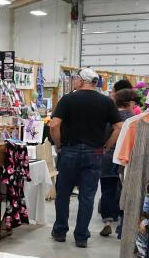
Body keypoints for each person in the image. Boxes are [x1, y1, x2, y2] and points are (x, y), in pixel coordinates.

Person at [49, 68, 123, 248]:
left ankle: (60, 231)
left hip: (70, 150)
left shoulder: (67, 99)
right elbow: (119, 127)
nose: (74, 81)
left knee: (63, 194)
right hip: (95, 152)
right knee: (87, 196)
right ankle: (81, 236)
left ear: (82, 81)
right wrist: (106, 146)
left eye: (75, 79)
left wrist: (59, 144)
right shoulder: (107, 102)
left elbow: (54, 125)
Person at [99, 88, 139, 237]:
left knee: (107, 191)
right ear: (130, 102)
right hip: (128, 158)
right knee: (126, 191)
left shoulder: (109, 118)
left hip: (108, 156)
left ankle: (108, 222)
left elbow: (102, 136)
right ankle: (122, 224)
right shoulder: (136, 119)